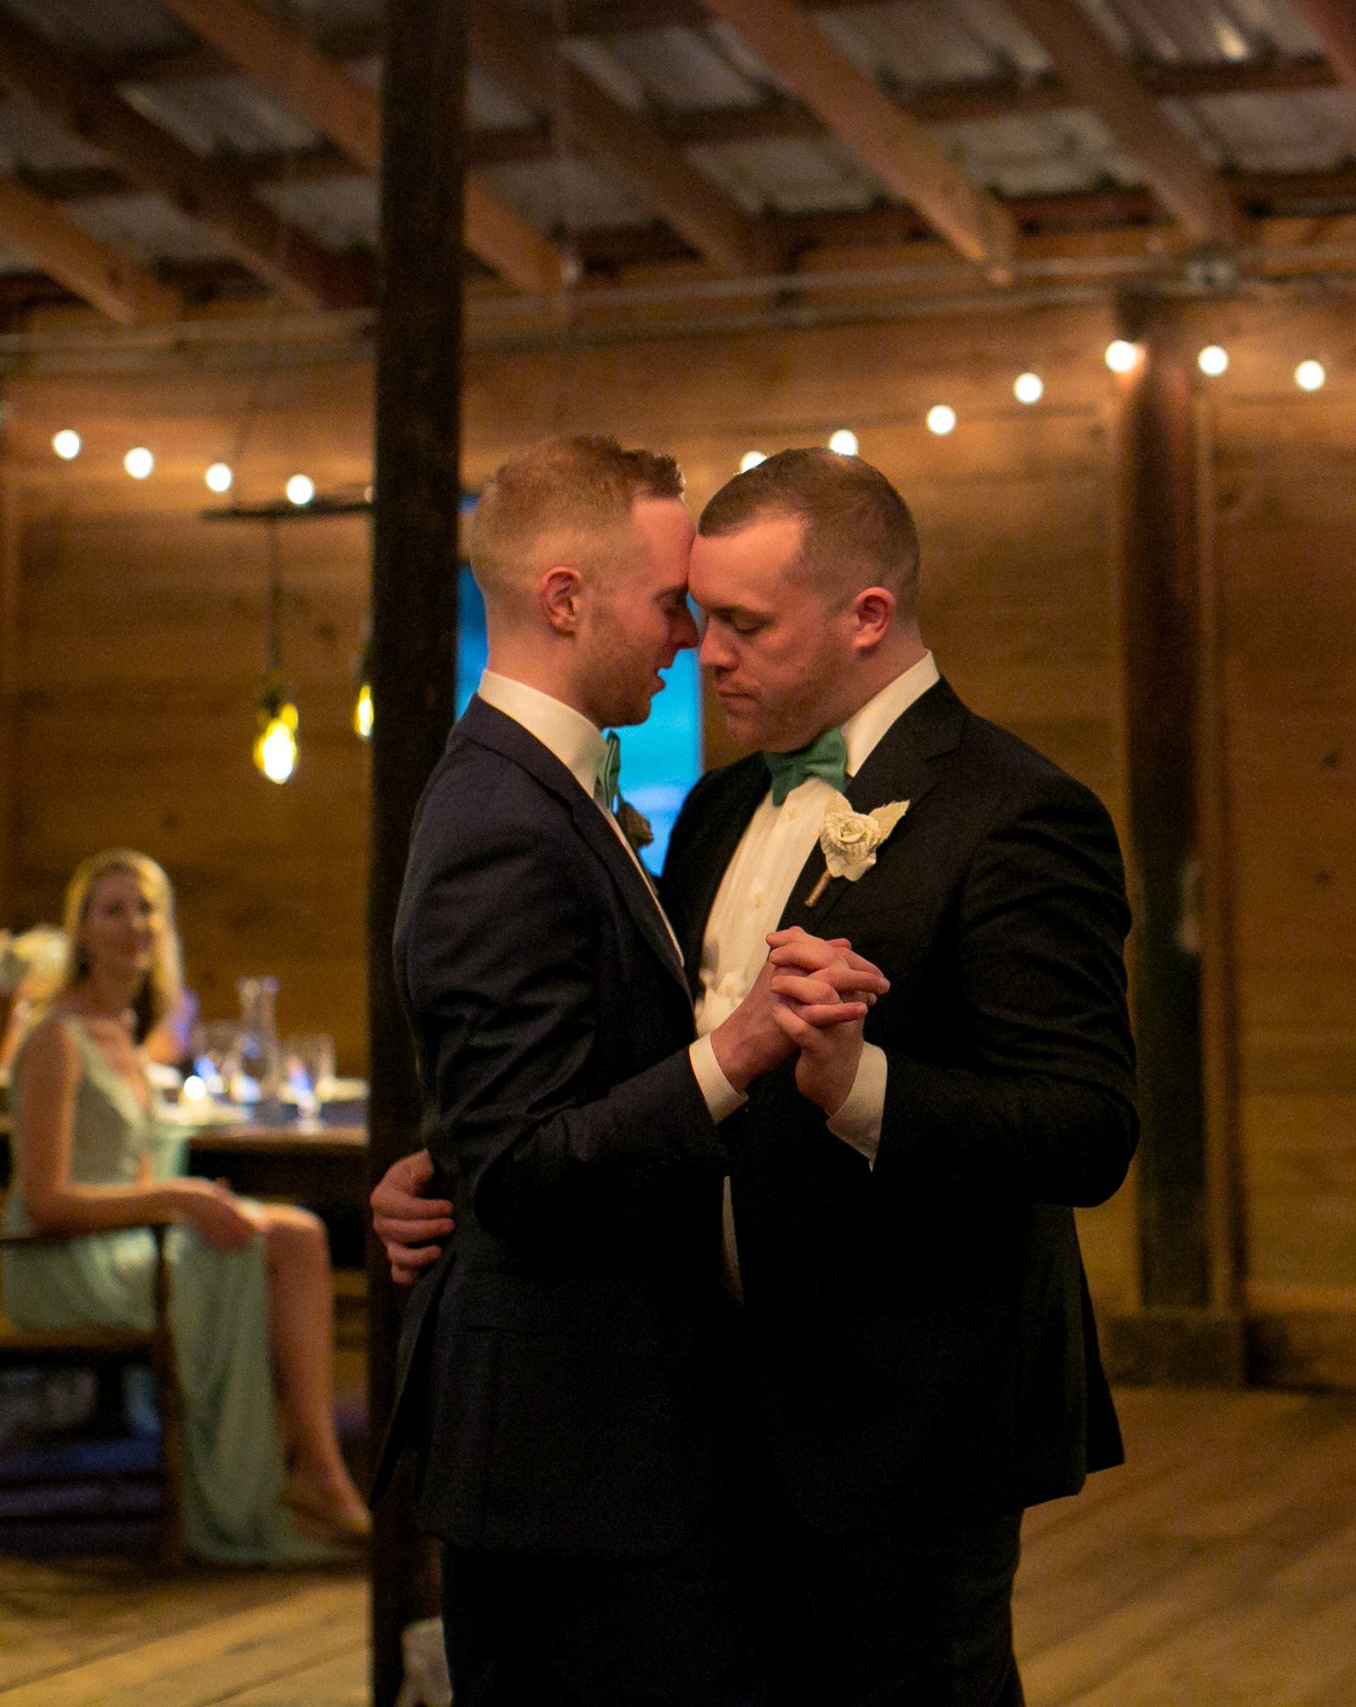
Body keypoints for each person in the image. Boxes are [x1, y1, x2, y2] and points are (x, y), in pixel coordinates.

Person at [378, 447, 1139, 1705]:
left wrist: (861, 1087)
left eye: (740, 621)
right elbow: (624, 1070)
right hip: (702, 1422)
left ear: (868, 617)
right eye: (693, 612)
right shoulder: (722, 810)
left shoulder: (1013, 812)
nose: (704, 649)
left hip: (901, 1420)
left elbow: (1086, 1129)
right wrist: (463, 1166)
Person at [376, 435, 879, 1706]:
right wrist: (741, 1048)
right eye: (669, 604)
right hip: (566, 1447)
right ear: (565, 598)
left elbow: (517, 1114)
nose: (688, 638)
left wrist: (455, 1154)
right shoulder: (501, 820)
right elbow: (529, 1173)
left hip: (608, 1435)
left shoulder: (547, 790)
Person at [4, 847, 363, 1559]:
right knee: (278, 1241)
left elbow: (131, 1163)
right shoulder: (58, 1037)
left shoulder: (129, 1037)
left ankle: (305, 1466)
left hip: (127, 1243)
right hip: (60, 1262)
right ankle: (297, 1477)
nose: (133, 924)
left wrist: (192, 1195)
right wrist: (180, 1195)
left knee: (293, 1233)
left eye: (146, 908)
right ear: (82, 930)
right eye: (113, 909)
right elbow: (46, 1201)